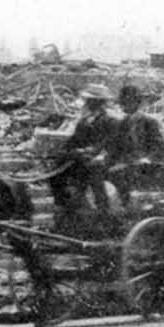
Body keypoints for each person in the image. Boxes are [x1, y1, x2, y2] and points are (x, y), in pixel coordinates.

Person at [50, 83, 120, 227]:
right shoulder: (83, 121)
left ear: (100, 103)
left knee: (95, 176)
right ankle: (64, 205)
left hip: (103, 159)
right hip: (83, 157)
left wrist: (93, 152)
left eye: (92, 100)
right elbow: (74, 140)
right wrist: (64, 150)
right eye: (88, 100)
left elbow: (110, 142)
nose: (88, 103)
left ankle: (104, 214)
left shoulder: (111, 120)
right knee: (56, 170)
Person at [108, 84, 164, 206]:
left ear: (137, 103)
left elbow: (159, 145)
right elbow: (116, 146)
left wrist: (147, 158)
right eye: (122, 103)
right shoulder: (123, 123)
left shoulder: (150, 122)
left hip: (147, 165)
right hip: (127, 162)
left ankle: (128, 204)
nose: (124, 106)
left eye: (127, 102)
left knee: (123, 176)